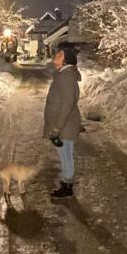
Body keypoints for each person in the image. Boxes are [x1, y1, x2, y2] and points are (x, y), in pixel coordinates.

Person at [43, 42, 81, 198]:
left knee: (66, 157)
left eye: (60, 55)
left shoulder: (66, 76)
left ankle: (67, 185)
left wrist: (57, 128)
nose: (55, 56)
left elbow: (66, 104)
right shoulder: (63, 74)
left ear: (66, 61)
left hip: (63, 126)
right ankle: (67, 183)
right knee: (66, 156)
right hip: (64, 124)